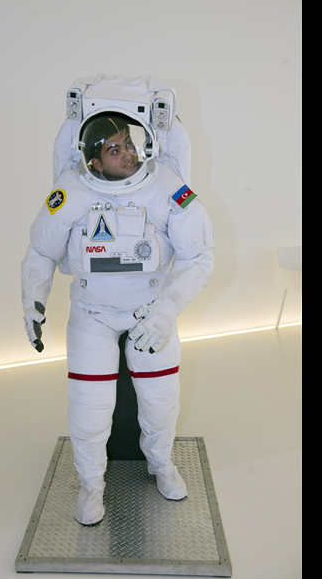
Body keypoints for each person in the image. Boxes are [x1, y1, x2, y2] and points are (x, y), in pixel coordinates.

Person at [21, 106, 215, 526]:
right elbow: (41, 251)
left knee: (161, 401)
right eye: (114, 150)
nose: (128, 154)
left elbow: (199, 256)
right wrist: (32, 301)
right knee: (90, 406)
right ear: (93, 161)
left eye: (129, 143)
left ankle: (161, 464)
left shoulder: (165, 185)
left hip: (150, 310)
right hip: (92, 312)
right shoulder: (70, 190)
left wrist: (166, 310)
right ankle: (91, 485)